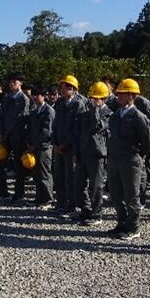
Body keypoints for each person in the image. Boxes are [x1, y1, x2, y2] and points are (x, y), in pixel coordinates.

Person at [106, 79, 150, 240]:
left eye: (122, 93)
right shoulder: (116, 115)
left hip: (130, 160)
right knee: (116, 194)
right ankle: (121, 223)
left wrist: (138, 155)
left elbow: (147, 141)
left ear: (132, 95)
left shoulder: (139, 117)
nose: (118, 96)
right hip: (114, 160)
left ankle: (133, 227)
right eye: (118, 93)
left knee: (131, 195)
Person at [73, 82, 113, 226]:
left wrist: (96, 110)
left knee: (96, 186)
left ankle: (96, 214)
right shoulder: (85, 114)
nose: (94, 100)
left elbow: (98, 127)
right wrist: (76, 152)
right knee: (79, 184)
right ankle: (85, 210)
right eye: (92, 98)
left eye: (97, 98)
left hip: (97, 155)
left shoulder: (108, 114)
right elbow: (78, 133)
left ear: (104, 98)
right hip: (83, 153)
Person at [52, 75, 86, 216]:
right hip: (58, 145)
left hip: (70, 146)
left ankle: (71, 206)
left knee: (70, 177)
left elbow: (76, 128)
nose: (64, 89)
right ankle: (61, 203)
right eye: (63, 86)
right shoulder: (59, 103)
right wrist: (54, 142)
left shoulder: (79, 104)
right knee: (58, 176)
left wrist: (65, 144)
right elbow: (55, 124)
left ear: (74, 89)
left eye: (67, 87)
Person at [0, 73, 30, 202]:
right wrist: (1, 132)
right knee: (0, 162)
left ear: (21, 83)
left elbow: (21, 119)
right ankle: (2, 192)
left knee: (18, 166)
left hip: (17, 136)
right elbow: (1, 116)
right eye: (10, 81)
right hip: (5, 136)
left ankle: (19, 194)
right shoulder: (7, 98)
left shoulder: (24, 99)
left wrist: (8, 133)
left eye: (14, 81)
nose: (12, 84)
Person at [26, 85, 55, 209]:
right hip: (34, 146)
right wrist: (29, 143)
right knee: (36, 173)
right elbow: (30, 129)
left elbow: (47, 131)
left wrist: (35, 144)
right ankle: (39, 197)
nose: (35, 98)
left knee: (44, 173)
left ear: (43, 96)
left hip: (44, 147)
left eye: (37, 95)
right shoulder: (34, 111)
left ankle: (48, 198)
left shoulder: (49, 111)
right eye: (34, 95)